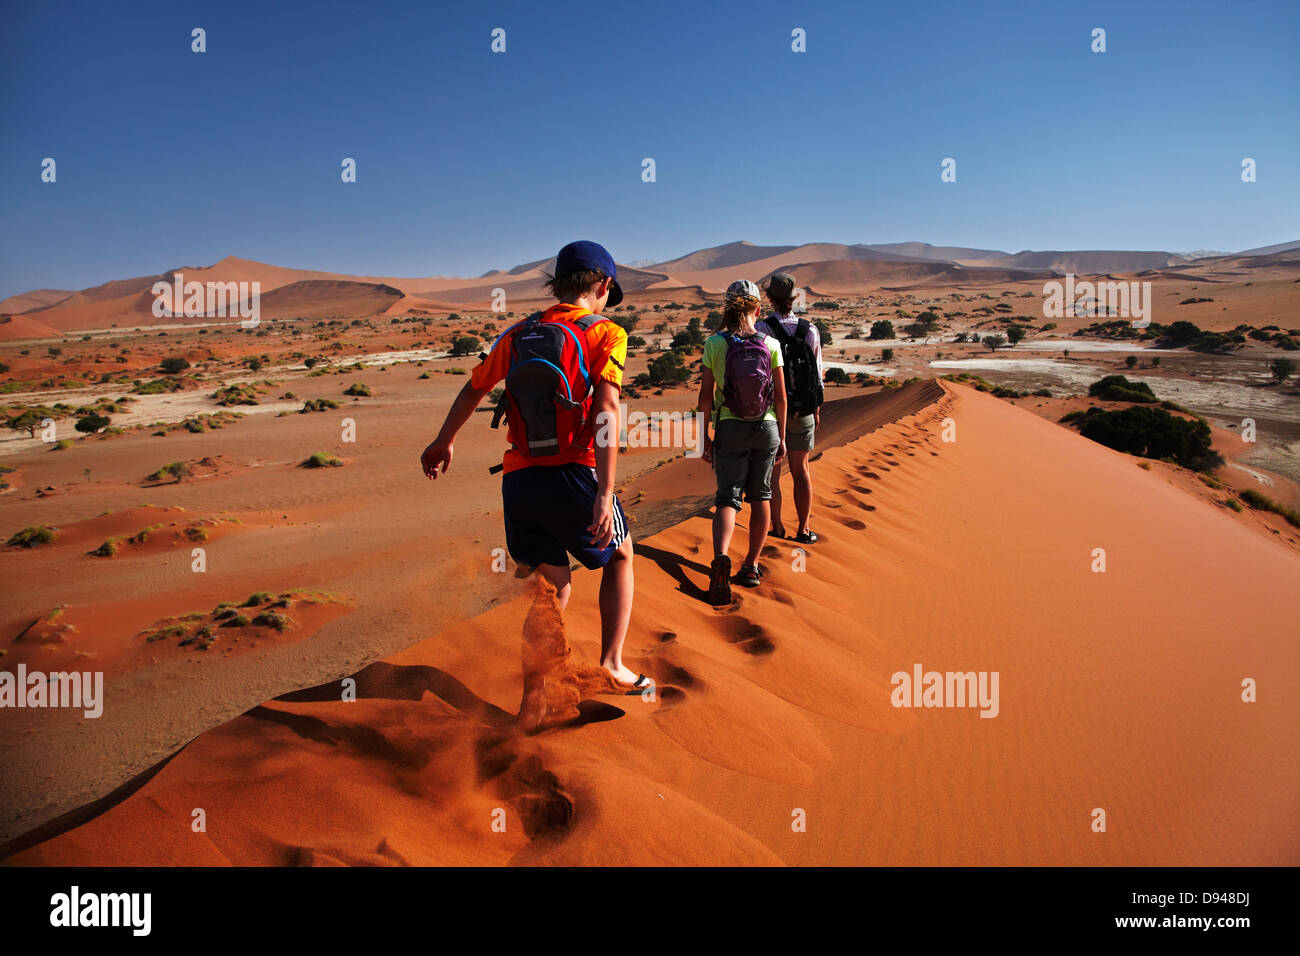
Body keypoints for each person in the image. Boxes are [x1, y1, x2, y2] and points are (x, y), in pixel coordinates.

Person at [420, 240, 643, 688]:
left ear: (555, 284)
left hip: (519, 480)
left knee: (553, 588)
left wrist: (444, 441)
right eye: (608, 292)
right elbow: (606, 410)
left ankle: (535, 696)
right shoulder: (606, 333)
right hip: (574, 474)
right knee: (620, 556)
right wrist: (603, 490)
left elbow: (474, 389)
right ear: (602, 285)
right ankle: (613, 664)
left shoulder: (519, 332)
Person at [699, 279, 787, 606]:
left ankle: (720, 558)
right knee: (761, 494)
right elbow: (780, 396)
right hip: (766, 427)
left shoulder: (714, 344)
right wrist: (781, 436)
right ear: (757, 309)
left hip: (729, 426)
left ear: (727, 306)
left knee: (727, 498)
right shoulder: (771, 344)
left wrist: (702, 439)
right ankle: (750, 566)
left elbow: (704, 398)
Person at [759, 272, 824, 544]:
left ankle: (776, 527)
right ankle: (804, 529)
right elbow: (818, 374)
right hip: (804, 409)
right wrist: (816, 410)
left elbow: (761, 372)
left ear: (770, 299)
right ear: (794, 299)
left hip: (774, 412)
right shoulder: (810, 330)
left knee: (773, 474)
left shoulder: (763, 329)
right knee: (802, 470)